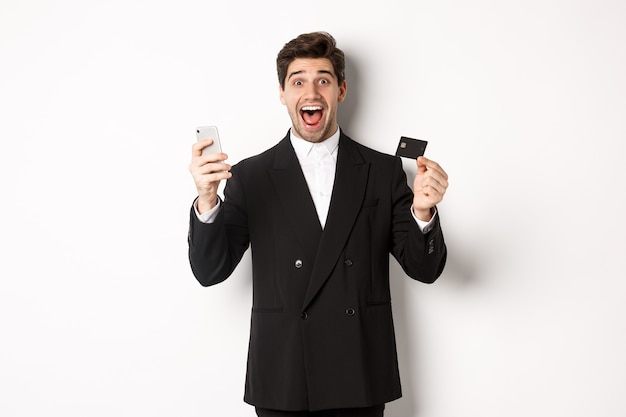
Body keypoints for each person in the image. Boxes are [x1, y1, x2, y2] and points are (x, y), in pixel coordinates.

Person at [188, 32, 448, 417]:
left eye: (323, 79)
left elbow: (424, 270)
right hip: (284, 375)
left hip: (358, 372)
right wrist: (207, 199)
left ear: (341, 91)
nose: (311, 91)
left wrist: (423, 212)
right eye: (298, 81)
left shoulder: (382, 171)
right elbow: (210, 271)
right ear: (282, 93)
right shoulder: (250, 175)